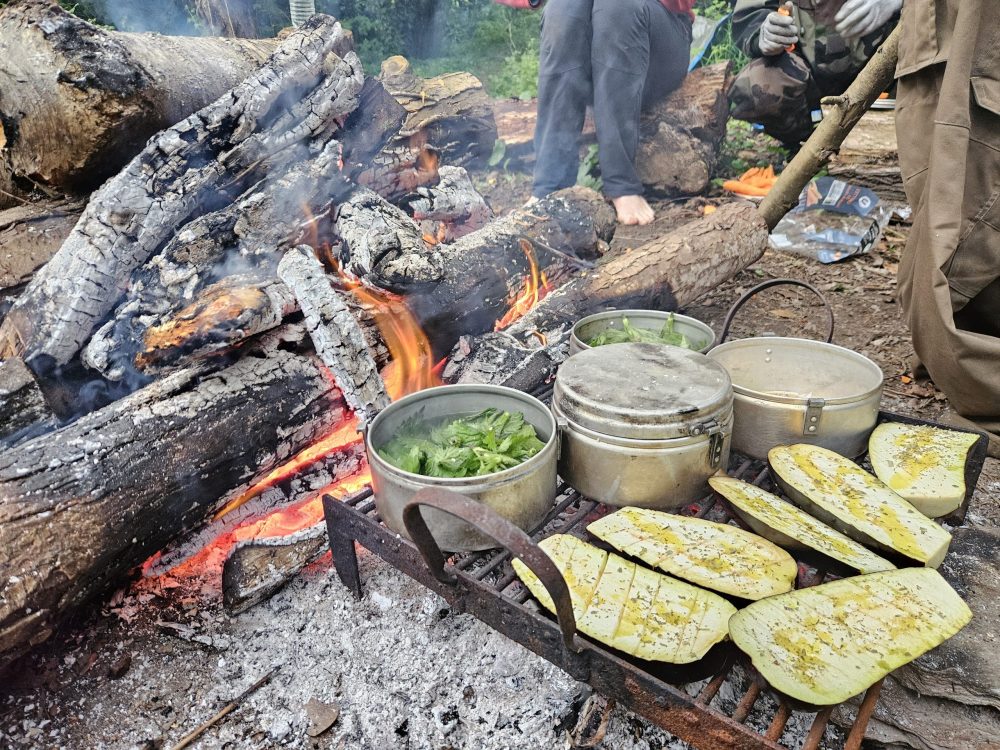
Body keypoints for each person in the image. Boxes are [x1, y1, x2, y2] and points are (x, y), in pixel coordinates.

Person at [894, 0, 1000, 457]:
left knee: (971, 207)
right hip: (932, 24)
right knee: (931, 163)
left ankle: (981, 382)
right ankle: (954, 357)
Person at [524, 0, 694, 225]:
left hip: (656, 45)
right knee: (562, 6)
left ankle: (621, 183)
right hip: (589, 62)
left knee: (617, 4)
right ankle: (550, 186)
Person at [729, 0, 900, 151]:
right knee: (758, 87)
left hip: (891, 70)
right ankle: (807, 146)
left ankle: (902, 145)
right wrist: (764, 32)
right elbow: (751, 12)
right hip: (809, 77)